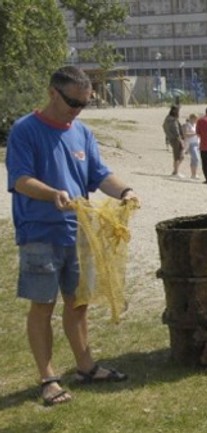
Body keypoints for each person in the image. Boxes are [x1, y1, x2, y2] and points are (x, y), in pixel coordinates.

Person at [5, 66, 138, 406]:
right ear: (52, 92)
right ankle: (48, 378)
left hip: (79, 235)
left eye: (84, 104)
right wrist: (52, 194)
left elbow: (99, 174)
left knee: (78, 304)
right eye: (72, 102)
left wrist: (124, 191)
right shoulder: (25, 130)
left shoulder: (82, 133)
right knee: (42, 306)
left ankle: (85, 367)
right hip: (39, 233)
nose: (77, 110)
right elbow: (20, 179)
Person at [162, 105, 185, 177]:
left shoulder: (168, 118)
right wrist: (180, 140)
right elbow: (176, 131)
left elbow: (164, 127)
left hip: (172, 138)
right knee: (177, 156)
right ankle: (176, 172)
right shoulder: (172, 120)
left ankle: (175, 170)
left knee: (180, 156)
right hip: (175, 139)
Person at [183, 113, 201, 179]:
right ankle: (194, 174)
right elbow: (185, 134)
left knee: (194, 159)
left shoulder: (196, 125)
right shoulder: (187, 125)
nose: (196, 120)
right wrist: (195, 133)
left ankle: (194, 174)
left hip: (197, 143)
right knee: (196, 158)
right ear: (192, 118)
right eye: (195, 119)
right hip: (190, 143)